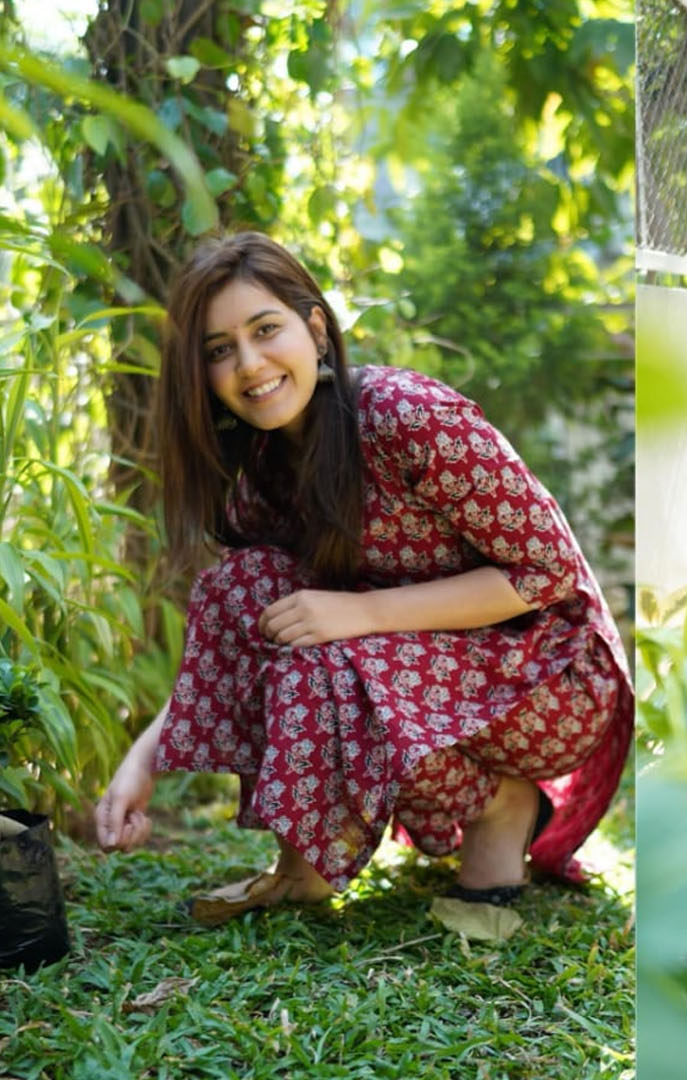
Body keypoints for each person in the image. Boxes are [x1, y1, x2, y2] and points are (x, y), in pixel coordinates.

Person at [93, 233, 633, 925]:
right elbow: (245, 630)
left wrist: (362, 614)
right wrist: (144, 758)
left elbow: (548, 571)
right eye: (219, 349)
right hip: (424, 670)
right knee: (245, 589)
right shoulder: (265, 466)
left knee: (329, 653)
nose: (249, 365)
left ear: (315, 327)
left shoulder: (407, 416)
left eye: (265, 331)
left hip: (550, 678)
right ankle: (302, 864)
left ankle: (502, 805)